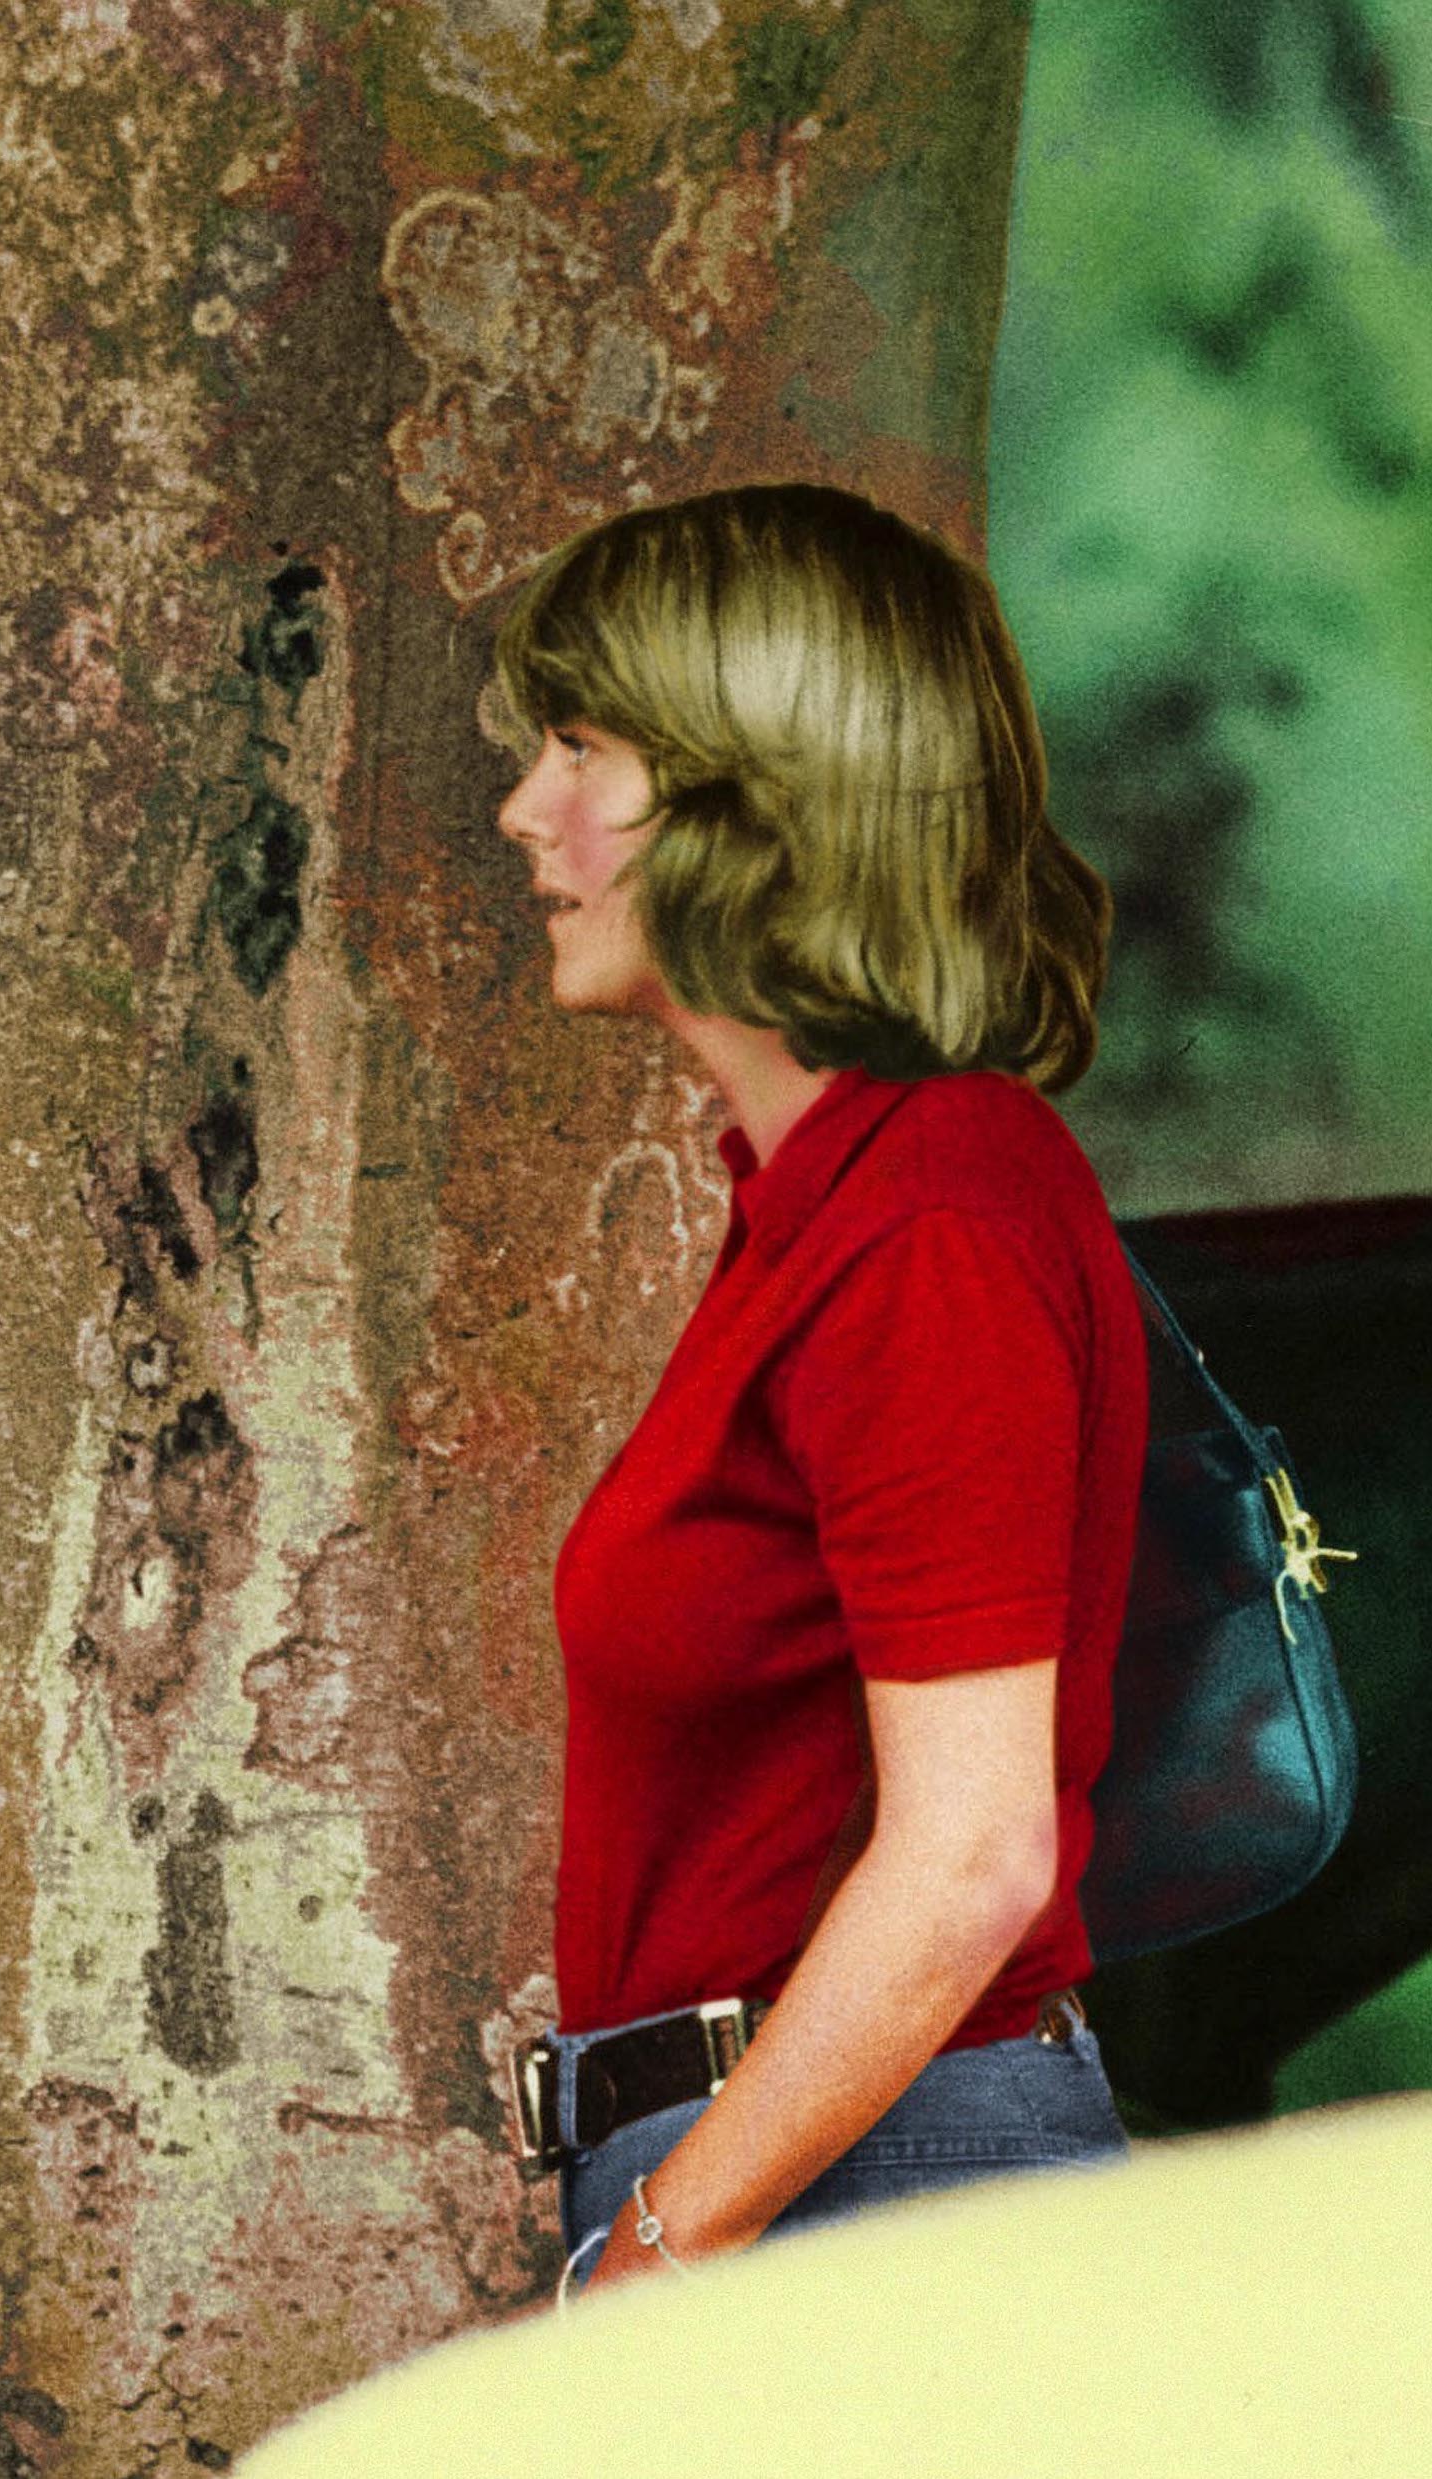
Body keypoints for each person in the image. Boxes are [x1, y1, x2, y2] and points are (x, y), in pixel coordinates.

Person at [485, 482, 1140, 2295]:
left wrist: (660, 2249)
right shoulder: (821, 1200)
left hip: (873, 2192)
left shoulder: (930, 1215)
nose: (523, 811)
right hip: (806, 2179)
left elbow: (971, 1859)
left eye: (585, 749)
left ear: (757, 794)